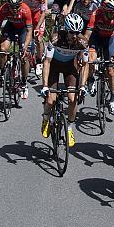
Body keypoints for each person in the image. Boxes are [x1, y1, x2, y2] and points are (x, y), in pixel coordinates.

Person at [39, 14, 89, 147]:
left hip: (69, 67)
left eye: (77, 32)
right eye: (72, 32)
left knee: (73, 99)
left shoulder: (82, 42)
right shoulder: (55, 39)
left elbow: (85, 65)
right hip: (54, 65)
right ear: (66, 30)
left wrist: (83, 85)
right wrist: (44, 85)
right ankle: (45, 119)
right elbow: (47, 62)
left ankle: (69, 129)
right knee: (51, 100)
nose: (74, 35)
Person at [84, 0, 114, 115]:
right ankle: (90, 78)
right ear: (105, 11)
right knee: (91, 60)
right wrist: (84, 48)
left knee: (111, 71)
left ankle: (112, 98)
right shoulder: (96, 14)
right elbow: (87, 34)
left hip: (109, 40)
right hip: (96, 38)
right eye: (111, 12)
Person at [0, 0, 33, 98]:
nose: (14, 9)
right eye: (11, 7)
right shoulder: (3, 9)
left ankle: (23, 82)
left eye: (16, 6)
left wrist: (25, 47)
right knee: (3, 49)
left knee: (24, 56)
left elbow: (29, 31)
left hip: (23, 30)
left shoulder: (26, 10)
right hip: (11, 27)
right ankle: (3, 73)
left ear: (21, 4)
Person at [20, 0, 47, 76]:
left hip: (37, 17)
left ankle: (39, 62)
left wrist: (37, 27)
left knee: (38, 38)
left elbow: (44, 12)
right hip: (26, 17)